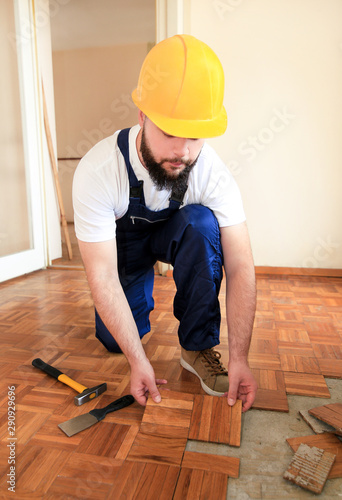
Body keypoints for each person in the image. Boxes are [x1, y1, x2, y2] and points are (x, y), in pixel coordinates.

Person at [73, 34, 257, 412]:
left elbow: (241, 267)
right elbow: (103, 276)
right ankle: (140, 300)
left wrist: (240, 358)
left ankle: (197, 346)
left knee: (203, 224)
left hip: (175, 236)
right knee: (116, 340)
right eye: (170, 132)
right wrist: (138, 360)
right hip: (123, 248)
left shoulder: (210, 171)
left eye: (194, 136)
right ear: (142, 117)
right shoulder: (98, 171)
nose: (182, 152)